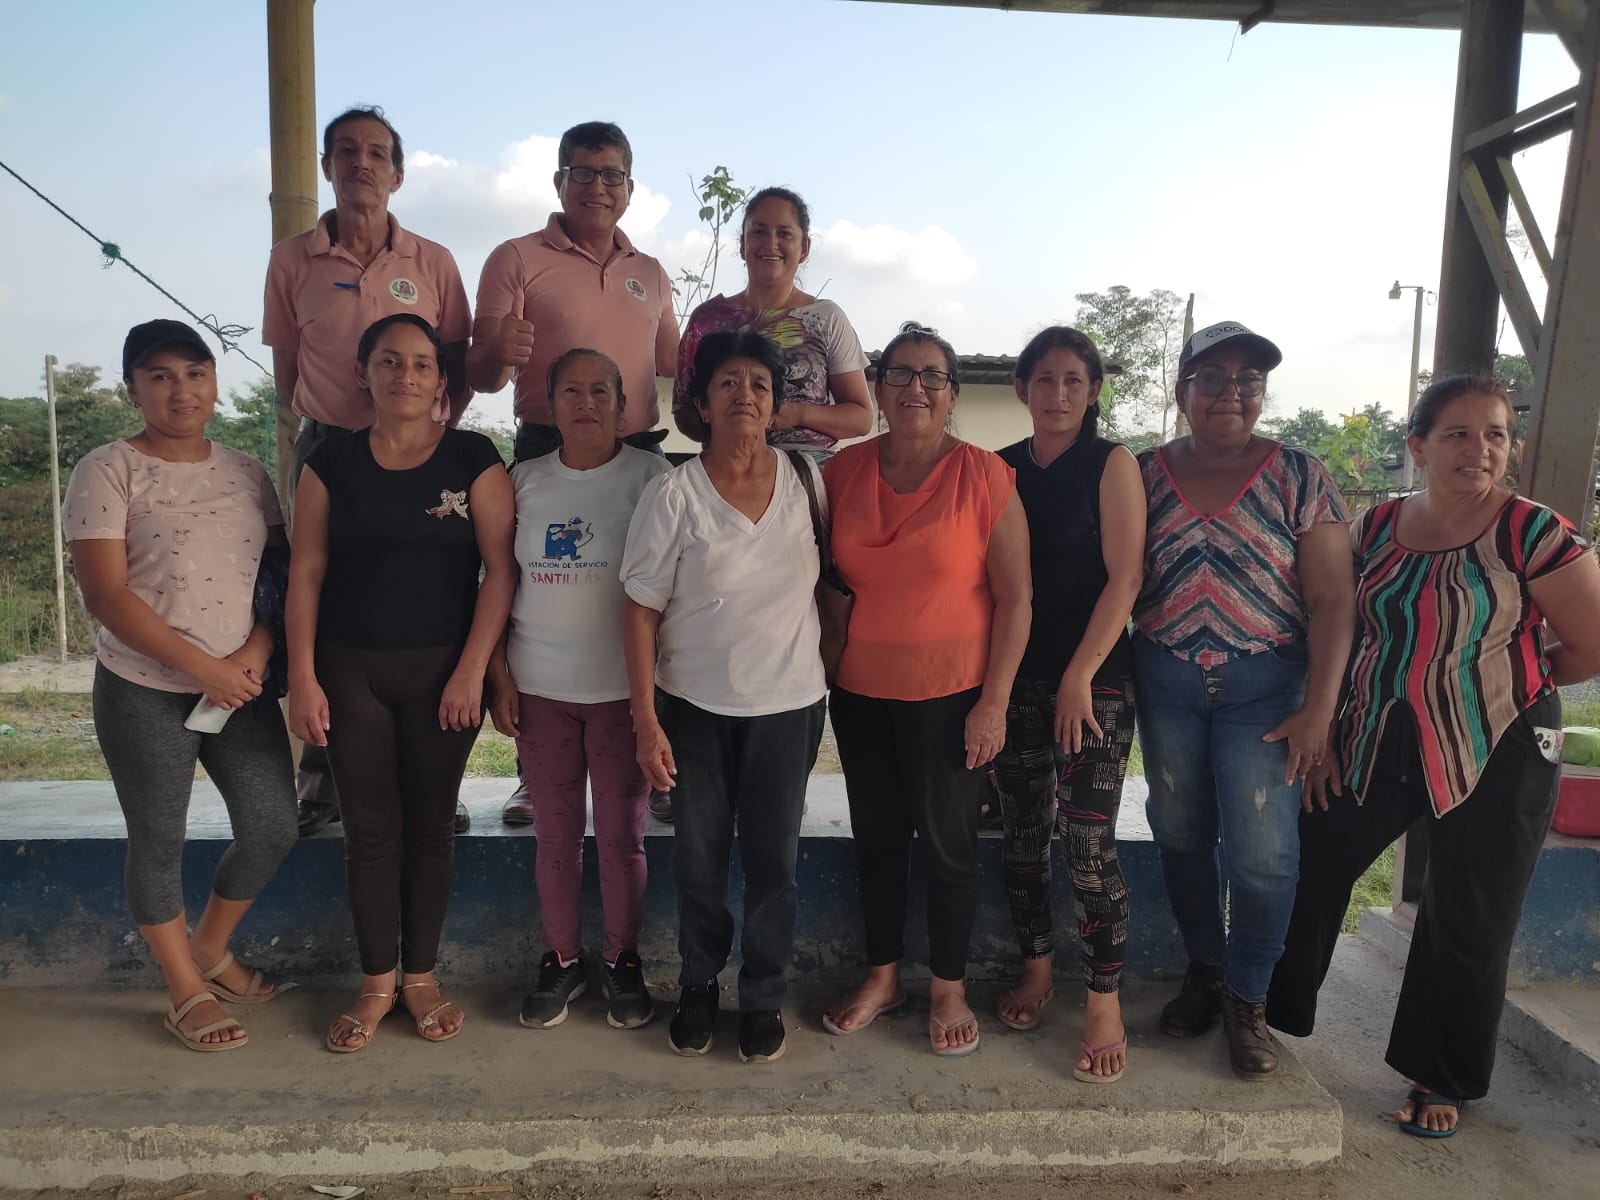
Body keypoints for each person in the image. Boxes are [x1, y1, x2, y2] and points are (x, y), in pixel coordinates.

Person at [1267, 374, 1600, 1136]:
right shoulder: (1376, 527)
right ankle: (1267, 1015)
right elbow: (1339, 621)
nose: (1478, 449)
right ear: (1417, 447)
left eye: (1494, 435)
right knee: (1311, 858)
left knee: (1468, 909)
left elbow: (1588, 645)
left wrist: (1499, 682)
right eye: (1457, 434)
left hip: (1501, 739)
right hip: (1376, 732)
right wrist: (1326, 721)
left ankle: (1440, 1074)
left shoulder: (1531, 531)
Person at [65, 319, 297, 1051]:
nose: (181, 390)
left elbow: (278, 576)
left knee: (272, 826)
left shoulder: (246, 471)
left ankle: (209, 947)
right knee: (158, 839)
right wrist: (206, 670)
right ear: (132, 388)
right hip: (143, 686)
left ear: (214, 383)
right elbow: (105, 594)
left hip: (240, 685)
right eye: (160, 376)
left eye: (196, 374)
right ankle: (183, 989)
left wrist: (256, 652)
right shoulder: (107, 469)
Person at [287, 314, 515, 1053]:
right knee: (370, 831)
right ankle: (376, 982)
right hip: (348, 670)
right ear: (363, 373)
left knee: (431, 827)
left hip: (444, 673)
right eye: (389, 361)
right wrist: (302, 676)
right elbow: (306, 571)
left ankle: (420, 977)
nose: (406, 375)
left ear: (441, 379)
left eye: (421, 363)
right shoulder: (329, 461)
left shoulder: (474, 457)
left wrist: (472, 671)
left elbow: (500, 572)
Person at [1132, 320, 1355, 1078]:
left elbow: (1332, 599)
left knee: (1264, 856)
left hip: (1265, 688)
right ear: (1182, 391)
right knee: (1180, 833)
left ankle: (1248, 997)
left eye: (1248, 380)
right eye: (1212, 378)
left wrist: (1319, 709)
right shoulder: (1142, 473)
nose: (1231, 393)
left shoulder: (1300, 475)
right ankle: (1205, 967)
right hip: (1166, 680)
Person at [820, 322, 1032, 1057]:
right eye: (901, 374)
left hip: (953, 695)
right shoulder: (841, 473)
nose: (916, 387)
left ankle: (948, 988)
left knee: (949, 847)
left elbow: (1017, 599)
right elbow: (821, 580)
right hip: (859, 692)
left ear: (951, 395)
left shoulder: (985, 476)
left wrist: (994, 702)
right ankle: (882, 978)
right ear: (879, 390)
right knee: (877, 839)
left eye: (932, 376)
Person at [263, 104, 475, 837]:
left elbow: (455, 363)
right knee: (319, 598)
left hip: (419, 453)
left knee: (432, 598)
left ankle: (434, 785)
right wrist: (317, 440)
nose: (362, 163)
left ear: (398, 174)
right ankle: (323, 783)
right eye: (347, 150)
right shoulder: (292, 260)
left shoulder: (434, 262)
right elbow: (287, 368)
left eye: (378, 153)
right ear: (327, 166)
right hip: (330, 451)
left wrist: (430, 432)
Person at [620, 330, 828, 1065]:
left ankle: (763, 996)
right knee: (699, 863)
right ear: (702, 404)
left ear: (775, 406)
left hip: (790, 708)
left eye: (760, 385)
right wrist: (645, 723)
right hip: (695, 711)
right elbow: (639, 611)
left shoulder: (807, 482)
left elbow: (829, 592)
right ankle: (699, 986)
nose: (746, 395)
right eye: (729, 383)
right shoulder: (674, 493)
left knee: (775, 866)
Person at [467, 120, 680, 827]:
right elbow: (482, 374)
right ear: (559, 181)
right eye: (582, 172)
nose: (597, 186)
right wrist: (497, 349)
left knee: (657, 600)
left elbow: (675, 363)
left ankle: (657, 760)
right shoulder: (515, 257)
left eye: (611, 174)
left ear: (629, 187)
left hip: (640, 450)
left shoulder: (651, 272)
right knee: (538, 588)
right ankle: (534, 774)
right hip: (545, 447)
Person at [486, 349, 668, 1031]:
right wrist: (499, 674)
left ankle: (623, 960)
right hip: (541, 692)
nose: (586, 403)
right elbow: (497, 580)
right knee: (556, 838)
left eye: (600, 391)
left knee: (623, 838)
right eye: (571, 391)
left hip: (623, 695)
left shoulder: (652, 477)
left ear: (623, 406)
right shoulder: (522, 479)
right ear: (549, 404)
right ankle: (561, 958)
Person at [992, 327, 1145, 1083]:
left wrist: (1079, 674)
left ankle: (1104, 1001)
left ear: (1093, 391)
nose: (1059, 394)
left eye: (1074, 381)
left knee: (1086, 840)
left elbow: (1126, 578)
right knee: (1023, 835)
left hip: (1095, 679)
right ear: (1023, 388)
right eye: (1046, 380)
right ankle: (1038, 967)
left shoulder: (1111, 463)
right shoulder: (998, 469)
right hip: (1015, 677)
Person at [672, 186, 872, 456]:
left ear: (804, 248)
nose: (771, 243)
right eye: (759, 232)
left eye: (784, 233)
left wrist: (796, 413)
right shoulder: (706, 319)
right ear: (742, 245)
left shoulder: (826, 319)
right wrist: (736, 427)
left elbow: (861, 418)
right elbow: (684, 410)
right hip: (727, 467)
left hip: (810, 469)